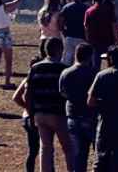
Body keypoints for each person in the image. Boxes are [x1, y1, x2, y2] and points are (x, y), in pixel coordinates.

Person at [27, 36, 75, 172]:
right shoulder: (63, 69)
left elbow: (28, 94)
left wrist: (31, 114)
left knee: (45, 148)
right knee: (68, 148)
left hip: (39, 114)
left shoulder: (35, 68)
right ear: (59, 50)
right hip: (58, 113)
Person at [60, 43, 98, 172]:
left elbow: (62, 93)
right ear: (89, 57)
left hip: (73, 115)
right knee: (98, 153)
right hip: (91, 116)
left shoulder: (66, 73)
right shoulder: (94, 74)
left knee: (78, 157)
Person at [85, 0, 118, 69]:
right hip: (108, 40)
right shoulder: (109, 10)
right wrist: (116, 39)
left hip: (94, 41)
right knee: (111, 63)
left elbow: (86, 27)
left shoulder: (89, 11)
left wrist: (88, 40)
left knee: (95, 64)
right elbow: (113, 25)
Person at [13, 74, 41, 172]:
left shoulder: (27, 80)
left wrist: (27, 107)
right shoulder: (43, 79)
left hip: (27, 117)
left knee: (32, 151)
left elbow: (16, 97)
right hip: (39, 117)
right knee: (46, 149)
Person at [60, 0, 89, 65]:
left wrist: (64, 32)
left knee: (67, 60)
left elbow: (61, 22)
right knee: (81, 60)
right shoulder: (86, 8)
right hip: (82, 38)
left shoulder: (66, 7)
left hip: (69, 37)